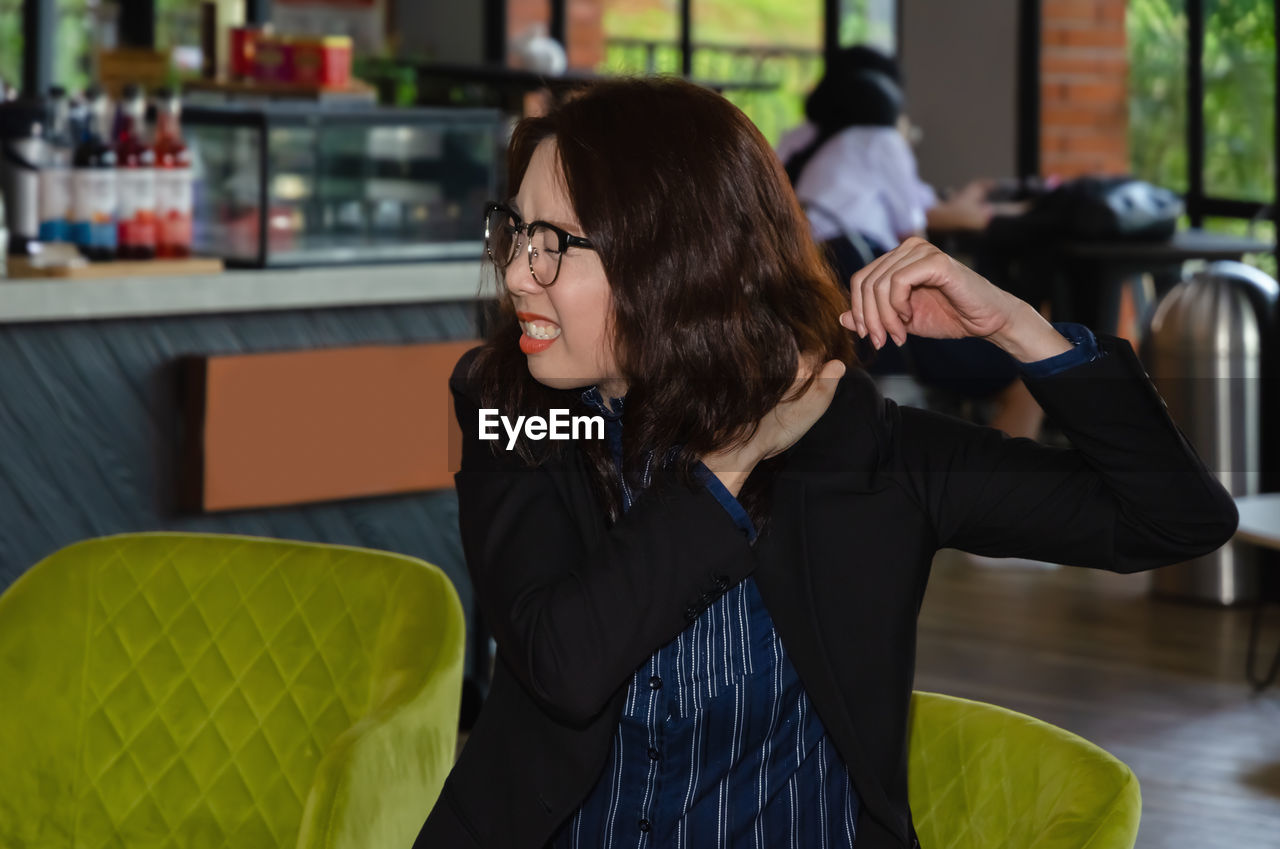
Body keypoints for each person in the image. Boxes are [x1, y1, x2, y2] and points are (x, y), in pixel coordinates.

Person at [414, 77, 1237, 849]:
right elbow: (563, 661)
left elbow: (1174, 516)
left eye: (553, 241)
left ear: (675, 260)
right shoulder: (513, 411)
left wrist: (1021, 329)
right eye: (515, 229)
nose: (520, 270)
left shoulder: (855, 447)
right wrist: (727, 466)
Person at [777, 46, 1045, 440]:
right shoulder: (879, 139)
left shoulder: (802, 142)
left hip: (805, 287)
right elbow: (916, 239)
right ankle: (996, 493)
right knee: (1030, 375)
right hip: (866, 288)